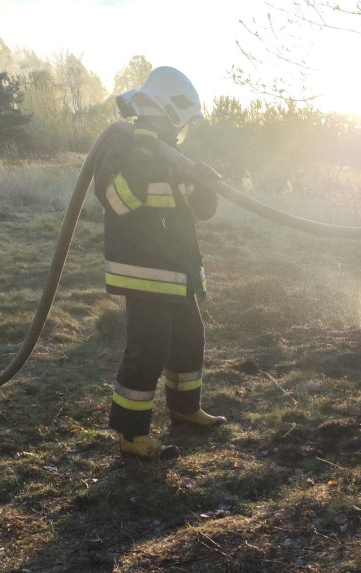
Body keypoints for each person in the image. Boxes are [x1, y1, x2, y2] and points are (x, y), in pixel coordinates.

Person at [95, 66, 226, 460]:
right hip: (144, 273)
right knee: (148, 349)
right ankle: (132, 434)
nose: (180, 133)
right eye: (179, 124)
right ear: (166, 112)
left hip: (178, 271)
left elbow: (199, 209)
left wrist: (206, 183)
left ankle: (185, 410)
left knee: (189, 339)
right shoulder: (122, 144)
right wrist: (143, 150)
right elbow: (119, 199)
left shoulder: (172, 152)